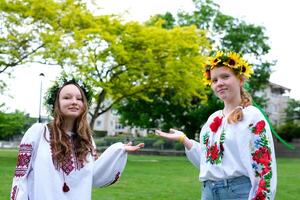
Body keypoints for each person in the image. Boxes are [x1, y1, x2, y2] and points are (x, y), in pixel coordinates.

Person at [156, 51, 277, 200]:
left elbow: (263, 165)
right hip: (209, 192)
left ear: (240, 79)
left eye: (225, 76)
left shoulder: (252, 116)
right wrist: (184, 139)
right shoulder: (213, 119)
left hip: (238, 193)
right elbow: (207, 161)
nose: (219, 83)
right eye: (214, 80)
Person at [10, 76, 144, 200]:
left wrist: (119, 150)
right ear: (56, 103)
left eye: (79, 99)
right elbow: (20, 177)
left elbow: (94, 176)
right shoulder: (38, 132)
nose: (74, 102)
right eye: (67, 97)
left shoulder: (87, 140)